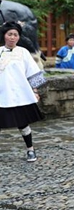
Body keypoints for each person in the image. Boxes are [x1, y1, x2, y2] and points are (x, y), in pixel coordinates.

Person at [0, 21, 46, 162]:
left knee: (23, 123)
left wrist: (35, 90)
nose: (12, 37)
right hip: (3, 94)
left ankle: (30, 150)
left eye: (15, 34)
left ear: (19, 37)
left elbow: (32, 72)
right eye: (10, 34)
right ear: (4, 36)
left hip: (20, 94)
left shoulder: (23, 52)